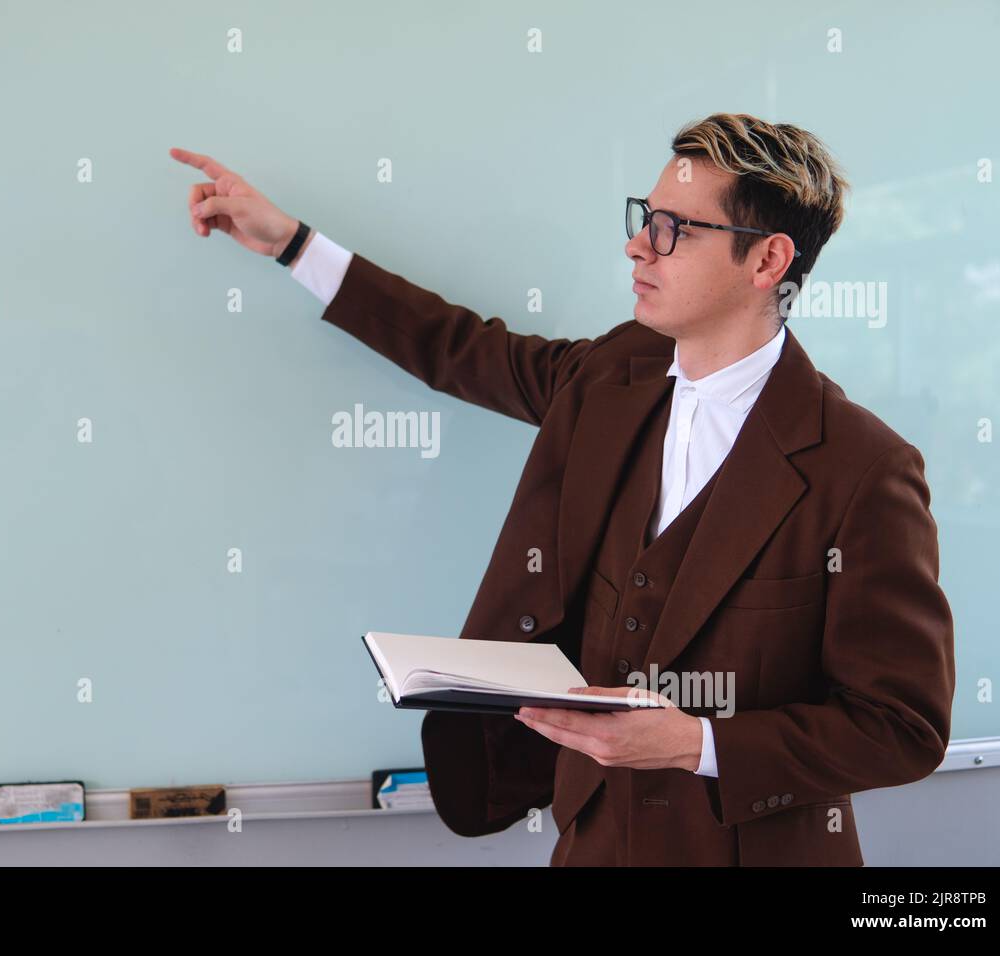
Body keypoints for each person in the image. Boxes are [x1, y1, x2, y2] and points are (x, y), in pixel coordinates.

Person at [169, 112, 955, 866]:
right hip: (591, 842)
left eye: (673, 229)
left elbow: (901, 727)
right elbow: (462, 350)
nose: (637, 247)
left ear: (767, 262)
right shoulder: (615, 373)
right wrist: (292, 245)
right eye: (646, 216)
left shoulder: (864, 468)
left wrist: (694, 743)